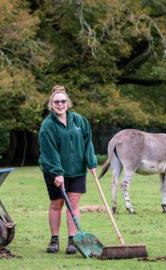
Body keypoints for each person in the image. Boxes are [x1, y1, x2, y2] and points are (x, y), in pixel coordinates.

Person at [38, 85, 97, 254]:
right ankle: (54, 239)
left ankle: (73, 240)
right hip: (53, 171)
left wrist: (91, 163)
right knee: (57, 203)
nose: (60, 104)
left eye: (63, 101)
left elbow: (87, 142)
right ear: (51, 104)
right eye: (56, 102)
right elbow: (49, 151)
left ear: (68, 103)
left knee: (73, 204)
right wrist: (57, 173)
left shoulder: (79, 121)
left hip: (77, 170)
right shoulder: (47, 126)